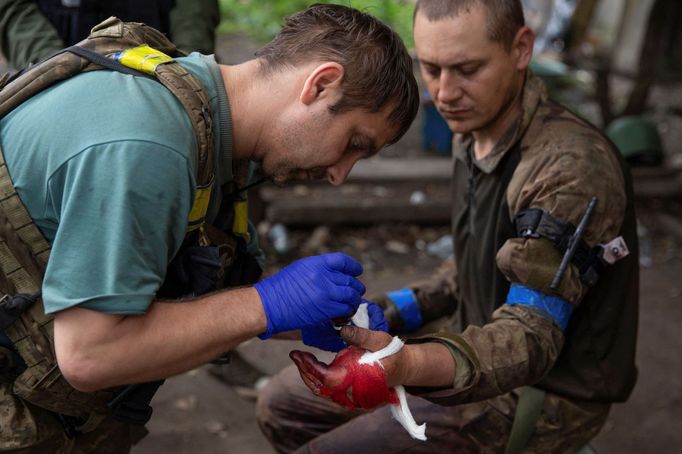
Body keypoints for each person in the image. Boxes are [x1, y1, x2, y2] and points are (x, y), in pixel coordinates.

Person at [0, 4, 419, 452]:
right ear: (320, 84)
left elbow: (195, 296)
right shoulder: (148, 145)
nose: (341, 175)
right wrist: (267, 304)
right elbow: (90, 353)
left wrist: (306, 317)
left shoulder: (210, 124)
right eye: (354, 143)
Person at [256, 0, 639, 452]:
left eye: (467, 69)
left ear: (521, 49)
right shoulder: (475, 132)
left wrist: (405, 363)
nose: (444, 93)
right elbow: (471, 265)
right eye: (432, 69)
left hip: (548, 390)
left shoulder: (568, 169)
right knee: (281, 404)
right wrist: (374, 314)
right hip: (476, 339)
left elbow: (530, 339)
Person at [0, 0, 220, 70]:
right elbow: (13, 10)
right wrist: (53, 70)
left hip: (163, 57)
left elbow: (194, 9)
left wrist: (189, 66)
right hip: (56, 52)